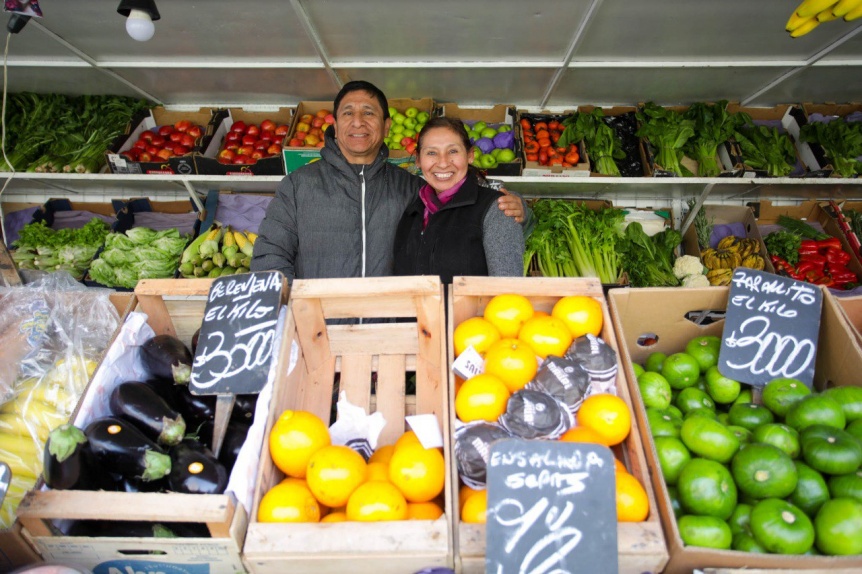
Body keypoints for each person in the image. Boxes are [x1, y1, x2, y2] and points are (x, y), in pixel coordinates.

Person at [250, 80, 525, 283]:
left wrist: (522, 208)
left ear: (386, 125)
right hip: (317, 334)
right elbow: (269, 257)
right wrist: (290, 314)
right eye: (348, 113)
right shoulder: (298, 186)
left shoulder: (412, 189)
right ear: (334, 124)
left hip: (394, 336)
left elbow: (470, 203)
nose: (358, 122)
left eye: (368, 113)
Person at [393, 117, 524, 283]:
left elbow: (507, 291)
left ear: (470, 155)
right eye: (431, 153)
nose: (442, 163)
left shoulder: (497, 209)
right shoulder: (411, 212)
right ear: (418, 160)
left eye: (453, 151)